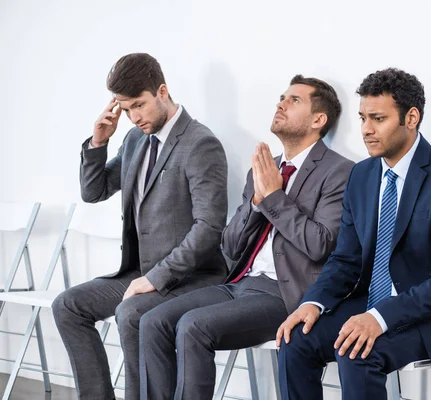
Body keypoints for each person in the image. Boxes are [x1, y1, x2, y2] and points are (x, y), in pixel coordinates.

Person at [276, 68, 431, 400]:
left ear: (411, 117)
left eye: (377, 118)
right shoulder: (362, 175)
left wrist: (379, 318)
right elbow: (345, 259)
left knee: (357, 351)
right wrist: (313, 302)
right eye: (362, 118)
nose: (366, 130)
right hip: (373, 302)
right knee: (296, 338)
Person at [138, 75, 354, 400]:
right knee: (152, 321)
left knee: (193, 327)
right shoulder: (264, 169)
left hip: (285, 294)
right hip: (238, 284)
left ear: (318, 119)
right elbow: (231, 246)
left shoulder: (341, 171)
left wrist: (274, 199)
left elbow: (321, 244)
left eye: (294, 100)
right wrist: (256, 203)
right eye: (281, 96)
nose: (280, 103)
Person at [51, 53, 228, 400]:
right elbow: (95, 191)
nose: (133, 117)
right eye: (125, 108)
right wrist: (99, 142)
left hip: (189, 278)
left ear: (162, 91)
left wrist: (157, 278)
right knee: (67, 305)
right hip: (139, 274)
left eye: (139, 106)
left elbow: (209, 227)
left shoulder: (200, 144)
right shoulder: (134, 140)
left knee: (130, 313)